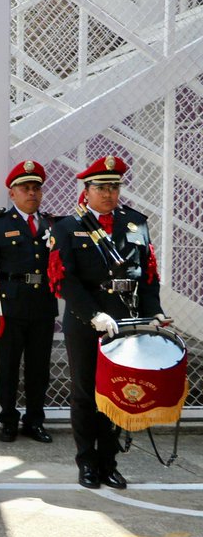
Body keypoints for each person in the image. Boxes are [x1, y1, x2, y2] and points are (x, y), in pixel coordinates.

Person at [49, 155, 164, 489]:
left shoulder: (135, 223)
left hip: (125, 319)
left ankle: (108, 462)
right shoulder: (68, 226)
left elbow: (148, 274)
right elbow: (63, 279)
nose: (109, 194)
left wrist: (153, 310)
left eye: (114, 187)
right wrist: (93, 314)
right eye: (101, 187)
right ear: (87, 190)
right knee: (86, 392)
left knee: (118, 393)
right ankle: (86, 462)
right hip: (88, 319)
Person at [0, 161, 57, 443]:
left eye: (36, 188)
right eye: (25, 188)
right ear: (12, 194)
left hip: (43, 305)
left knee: (39, 368)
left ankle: (35, 421)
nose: (31, 193)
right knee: (8, 366)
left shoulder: (51, 225)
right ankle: (8, 420)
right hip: (10, 306)